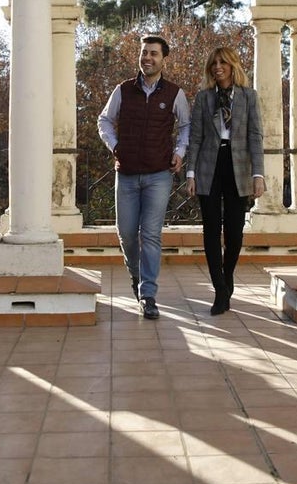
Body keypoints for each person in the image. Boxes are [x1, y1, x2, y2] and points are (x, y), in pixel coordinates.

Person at [98, 35, 190, 320]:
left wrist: (180, 151)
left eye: (153, 54)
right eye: (144, 53)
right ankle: (137, 277)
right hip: (125, 174)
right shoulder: (123, 90)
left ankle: (148, 294)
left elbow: (186, 124)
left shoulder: (175, 93)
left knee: (150, 234)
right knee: (126, 233)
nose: (147, 58)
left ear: (164, 59)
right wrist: (114, 145)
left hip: (158, 175)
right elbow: (104, 120)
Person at [185, 46, 265, 315]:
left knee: (235, 231)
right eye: (214, 63)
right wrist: (191, 173)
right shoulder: (204, 98)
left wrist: (258, 175)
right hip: (209, 167)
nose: (218, 67)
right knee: (210, 230)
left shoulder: (248, 97)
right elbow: (195, 138)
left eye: (223, 62)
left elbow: (255, 136)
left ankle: (227, 274)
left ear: (233, 66)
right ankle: (220, 290)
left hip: (238, 167)